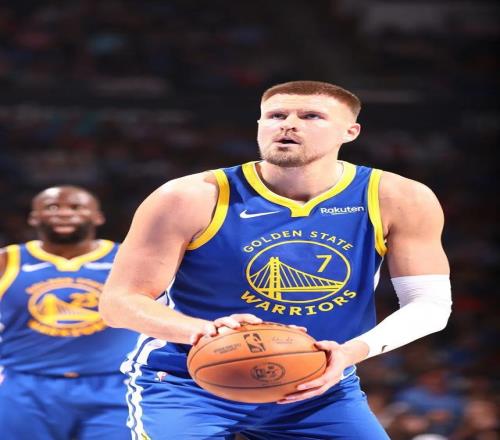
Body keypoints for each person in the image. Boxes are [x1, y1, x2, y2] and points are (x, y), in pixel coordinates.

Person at [99, 80, 452, 439]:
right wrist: (204, 332)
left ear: (350, 131)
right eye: (276, 115)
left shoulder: (398, 197)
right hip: (189, 379)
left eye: (310, 116)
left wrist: (352, 352)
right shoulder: (189, 197)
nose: (288, 124)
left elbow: (430, 305)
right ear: (259, 125)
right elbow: (118, 303)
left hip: (317, 383)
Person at [0, 185, 138, 439]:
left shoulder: (128, 258)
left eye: (76, 207)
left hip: (114, 384)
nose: (64, 213)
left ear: (98, 216)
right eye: (52, 207)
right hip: (24, 385)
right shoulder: (8, 260)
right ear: (34, 217)